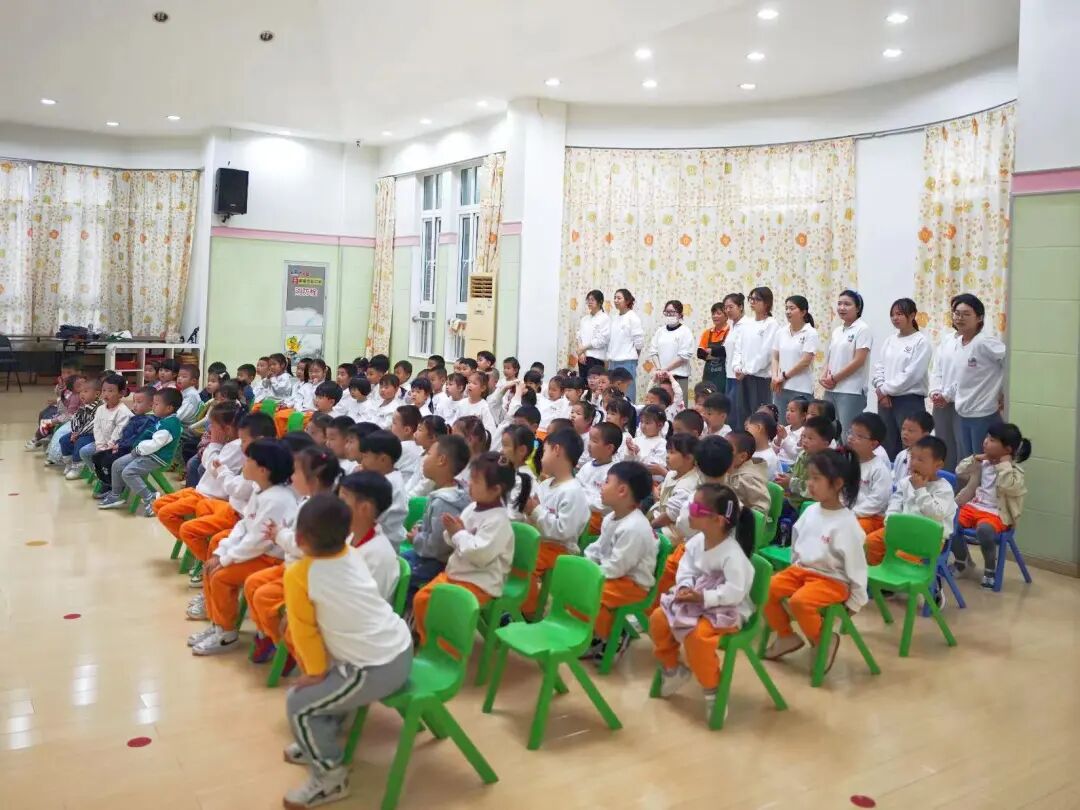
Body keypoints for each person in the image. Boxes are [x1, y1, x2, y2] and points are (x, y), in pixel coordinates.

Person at [281, 494, 413, 809]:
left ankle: (331, 778)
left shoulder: (299, 575)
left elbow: (304, 631)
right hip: (399, 644)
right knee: (327, 678)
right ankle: (319, 738)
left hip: (376, 666)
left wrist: (314, 674)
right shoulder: (352, 552)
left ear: (299, 539)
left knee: (299, 703)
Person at [650, 484, 756, 720]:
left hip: (726, 608)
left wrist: (705, 597)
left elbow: (735, 592)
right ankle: (672, 669)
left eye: (696, 508)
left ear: (717, 520)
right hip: (697, 599)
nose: (689, 511)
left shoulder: (732, 554)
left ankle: (712, 689)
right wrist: (684, 586)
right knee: (658, 618)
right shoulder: (698, 540)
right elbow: (686, 568)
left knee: (698, 637)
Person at [189, 439, 298, 655]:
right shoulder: (260, 489)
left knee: (220, 576)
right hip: (257, 553)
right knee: (212, 568)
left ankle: (226, 633)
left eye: (248, 460)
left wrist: (226, 559)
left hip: (272, 559)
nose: (243, 464)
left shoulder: (277, 499)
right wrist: (222, 552)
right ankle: (217, 624)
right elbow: (243, 526)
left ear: (263, 470)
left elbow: (258, 541)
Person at [763, 449, 868, 674]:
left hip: (832, 580)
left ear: (837, 483)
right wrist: (793, 570)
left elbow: (857, 567)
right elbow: (797, 543)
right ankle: (786, 636)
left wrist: (855, 602)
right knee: (767, 588)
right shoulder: (811, 510)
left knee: (800, 602)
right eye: (809, 477)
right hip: (801, 572)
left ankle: (823, 640)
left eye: (816, 478)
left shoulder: (847, 524)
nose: (810, 484)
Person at [412, 452, 520, 644]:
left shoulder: (498, 521)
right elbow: (454, 541)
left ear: (496, 489)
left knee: (442, 608)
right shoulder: (472, 508)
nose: (469, 484)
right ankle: (428, 639)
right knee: (421, 599)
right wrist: (452, 531)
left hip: (480, 582)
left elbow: (480, 555)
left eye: (476, 481)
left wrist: (459, 533)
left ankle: (446, 647)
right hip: (458, 574)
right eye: (471, 478)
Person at [246, 445, 340, 664]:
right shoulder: (308, 501)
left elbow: (305, 546)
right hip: (292, 566)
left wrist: (279, 534)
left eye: (296, 472)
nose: (291, 476)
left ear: (314, 479)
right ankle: (268, 635)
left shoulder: (323, 509)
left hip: (306, 575)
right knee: (252, 583)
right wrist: (282, 533)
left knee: (263, 596)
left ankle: (285, 645)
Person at [583, 461, 658, 660]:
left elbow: (617, 567)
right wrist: (585, 563)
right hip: (614, 576)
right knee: (576, 588)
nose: (602, 486)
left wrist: (590, 574)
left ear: (622, 490)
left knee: (591, 595)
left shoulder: (634, 527)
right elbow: (598, 548)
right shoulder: (611, 518)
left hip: (632, 584)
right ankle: (598, 633)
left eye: (607, 482)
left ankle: (613, 636)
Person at [952, 423, 1030, 588]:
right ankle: (962, 561)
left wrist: (1004, 465)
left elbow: (1008, 486)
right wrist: (976, 458)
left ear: (1007, 449)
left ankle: (990, 569)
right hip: (974, 507)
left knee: (985, 531)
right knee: (949, 522)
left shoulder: (1015, 472)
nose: (986, 442)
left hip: (996, 514)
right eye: (987, 438)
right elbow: (960, 471)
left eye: (992, 440)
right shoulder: (983, 464)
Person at [522, 429, 591, 616]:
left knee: (525, 561)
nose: (541, 457)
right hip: (542, 542)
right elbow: (535, 518)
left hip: (560, 548)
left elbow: (564, 531)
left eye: (544, 451)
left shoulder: (573, 491)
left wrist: (535, 510)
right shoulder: (546, 485)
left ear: (557, 450)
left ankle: (530, 611)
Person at [865, 436, 956, 566]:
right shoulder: (905, 482)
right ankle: (879, 573)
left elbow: (936, 514)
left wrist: (920, 490)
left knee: (901, 557)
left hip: (929, 537)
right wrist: (890, 520)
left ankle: (895, 576)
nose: (913, 463)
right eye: (912, 457)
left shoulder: (944, 489)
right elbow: (895, 502)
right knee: (871, 542)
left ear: (938, 465)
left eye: (920, 460)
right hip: (904, 529)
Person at [403, 435, 472, 606]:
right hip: (429, 554)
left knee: (400, 574)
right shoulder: (448, 491)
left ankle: (411, 613)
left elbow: (437, 548)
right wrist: (421, 528)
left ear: (441, 460)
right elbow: (431, 527)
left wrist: (416, 538)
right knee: (393, 561)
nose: (424, 459)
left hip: (438, 563)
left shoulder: (445, 503)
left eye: (429, 454)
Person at [98, 387, 183, 516]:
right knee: (117, 464)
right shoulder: (164, 419)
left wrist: (138, 449)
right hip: (146, 453)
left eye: (156, 404)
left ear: (169, 408)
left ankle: (150, 498)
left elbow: (155, 444)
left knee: (128, 472)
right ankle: (116, 495)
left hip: (156, 458)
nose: (153, 407)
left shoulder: (170, 425)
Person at [948, 293, 1007, 463]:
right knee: (969, 464)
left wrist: (1004, 392)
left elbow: (1010, 361)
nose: (960, 318)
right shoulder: (958, 342)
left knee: (985, 465)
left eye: (966, 314)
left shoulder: (984, 342)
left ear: (979, 318)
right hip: (963, 413)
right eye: (957, 313)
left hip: (983, 413)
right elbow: (960, 379)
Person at [871, 298, 932, 459]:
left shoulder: (921, 341)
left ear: (912, 315)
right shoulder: (890, 340)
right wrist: (881, 388)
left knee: (911, 445)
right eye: (892, 315)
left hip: (909, 400)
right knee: (887, 444)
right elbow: (879, 367)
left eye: (899, 314)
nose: (895, 318)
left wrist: (884, 390)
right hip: (885, 400)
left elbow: (912, 374)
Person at [339, 472, 401, 600]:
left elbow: (363, 605)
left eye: (343, 501)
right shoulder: (350, 537)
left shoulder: (379, 557)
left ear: (365, 508)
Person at [820, 289, 872, 437]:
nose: (842, 307)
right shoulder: (837, 330)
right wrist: (823, 376)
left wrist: (835, 378)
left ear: (858, 308)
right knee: (829, 433)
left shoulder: (863, 329)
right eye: (839, 304)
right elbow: (830, 358)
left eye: (847, 304)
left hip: (851, 390)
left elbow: (859, 360)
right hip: (831, 389)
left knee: (847, 434)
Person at [90, 385, 155, 492]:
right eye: (134, 402)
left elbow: (137, 439)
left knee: (108, 460)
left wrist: (120, 445)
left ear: (151, 405)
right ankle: (107, 482)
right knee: (97, 457)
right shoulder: (137, 416)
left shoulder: (149, 421)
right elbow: (125, 434)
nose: (134, 405)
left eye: (139, 402)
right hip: (123, 446)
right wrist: (117, 443)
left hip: (133, 450)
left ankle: (115, 487)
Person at [732, 287, 780, 421]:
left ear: (767, 303)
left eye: (757, 299)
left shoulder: (771, 324)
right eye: (751, 298)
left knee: (759, 416)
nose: (752, 302)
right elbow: (738, 348)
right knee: (743, 414)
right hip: (743, 376)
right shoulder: (747, 323)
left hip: (760, 378)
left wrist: (747, 370)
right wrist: (737, 366)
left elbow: (766, 353)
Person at [72, 374, 131, 480]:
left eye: (110, 391)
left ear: (121, 393)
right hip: (101, 444)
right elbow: (97, 428)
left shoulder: (123, 412)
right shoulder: (100, 409)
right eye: (104, 390)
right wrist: (100, 445)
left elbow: (119, 433)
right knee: (84, 452)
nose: (106, 394)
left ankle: (109, 478)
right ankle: (99, 474)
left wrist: (107, 447)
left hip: (116, 447)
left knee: (104, 458)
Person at [356, 430, 408, 548]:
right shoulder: (385, 478)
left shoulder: (387, 485)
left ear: (383, 459)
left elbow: (367, 517)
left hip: (384, 543)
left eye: (365, 457)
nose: (362, 462)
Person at [771, 295, 818, 417]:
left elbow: (805, 361)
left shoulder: (810, 333)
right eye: (786, 308)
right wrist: (775, 377)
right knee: (781, 424)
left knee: (800, 425)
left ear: (803, 312)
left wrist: (783, 377)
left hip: (801, 388)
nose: (788, 311)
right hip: (780, 387)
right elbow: (775, 357)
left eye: (792, 308)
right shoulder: (781, 332)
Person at [847, 412, 892, 538]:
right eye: (851, 432)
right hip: (849, 512)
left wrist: (852, 513)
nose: (851, 438)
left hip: (872, 517)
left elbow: (878, 501)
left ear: (873, 444)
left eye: (858, 436)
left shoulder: (879, 469)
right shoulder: (848, 462)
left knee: (849, 530)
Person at [577, 421, 622, 534]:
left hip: (597, 519)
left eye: (594, 441)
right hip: (580, 510)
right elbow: (576, 486)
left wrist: (581, 500)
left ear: (609, 448)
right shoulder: (587, 466)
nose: (589, 444)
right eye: (590, 439)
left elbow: (604, 504)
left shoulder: (614, 473)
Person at [645, 300, 694, 401]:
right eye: (667, 312)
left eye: (672, 312)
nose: (669, 315)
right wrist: (659, 369)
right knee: (662, 405)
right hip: (662, 377)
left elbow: (683, 357)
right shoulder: (660, 331)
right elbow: (653, 351)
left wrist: (666, 369)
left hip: (678, 377)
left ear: (680, 314)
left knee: (679, 406)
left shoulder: (685, 331)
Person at [608, 288, 645, 400]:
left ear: (627, 301)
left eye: (619, 298)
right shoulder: (614, 317)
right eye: (615, 298)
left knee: (627, 394)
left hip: (627, 362)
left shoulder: (633, 317)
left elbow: (639, 342)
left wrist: (634, 357)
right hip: (613, 361)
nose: (616, 300)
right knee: (613, 394)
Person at [724, 431, 772, 515]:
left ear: (742, 457)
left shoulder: (748, 478)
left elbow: (762, 508)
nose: (721, 452)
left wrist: (739, 514)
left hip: (742, 518)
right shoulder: (731, 467)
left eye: (727, 450)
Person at [721, 293, 746, 429]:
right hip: (729, 374)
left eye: (731, 307)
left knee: (738, 414)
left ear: (740, 307)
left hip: (740, 375)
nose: (728, 310)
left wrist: (742, 369)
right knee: (730, 412)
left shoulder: (747, 325)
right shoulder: (732, 326)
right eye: (725, 308)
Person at [576, 289, 611, 381]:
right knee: (583, 384)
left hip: (596, 358)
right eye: (588, 300)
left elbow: (602, 340)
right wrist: (581, 353)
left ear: (600, 302)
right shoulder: (584, 319)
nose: (589, 302)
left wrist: (583, 349)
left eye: (592, 300)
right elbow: (579, 336)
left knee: (595, 385)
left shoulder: (605, 318)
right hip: (582, 358)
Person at [892, 411, 934, 487]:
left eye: (910, 430)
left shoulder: (927, 459)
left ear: (925, 435)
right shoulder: (901, 455)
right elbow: (895, 479)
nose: (905, 433)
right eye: (903, 429)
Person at [697, 302, 730, 393]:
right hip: (709, 375)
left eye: (718, 313)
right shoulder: (707, 333)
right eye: (713, 314)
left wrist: (711, 352)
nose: (715, 316)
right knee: (707, 397)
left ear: (726, 316)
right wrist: (718, 353)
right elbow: (700, 353)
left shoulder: (730, 331)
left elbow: (726, 351)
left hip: (724, 376)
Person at [773, 397, 808, 469]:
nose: (788, 413)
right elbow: (774, 452)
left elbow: (796, 455)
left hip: (791, 466)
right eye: (787, 410)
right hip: (778, 462)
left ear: (803, 416)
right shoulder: (786, 428)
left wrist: (785, 437)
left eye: (792, 411)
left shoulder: (804, 433)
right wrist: (778, 439)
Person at [746, 412, 779, 480]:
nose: (745, 433)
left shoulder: (768, 458)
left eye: (747, 429)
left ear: (759, 428)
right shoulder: (750, 450)